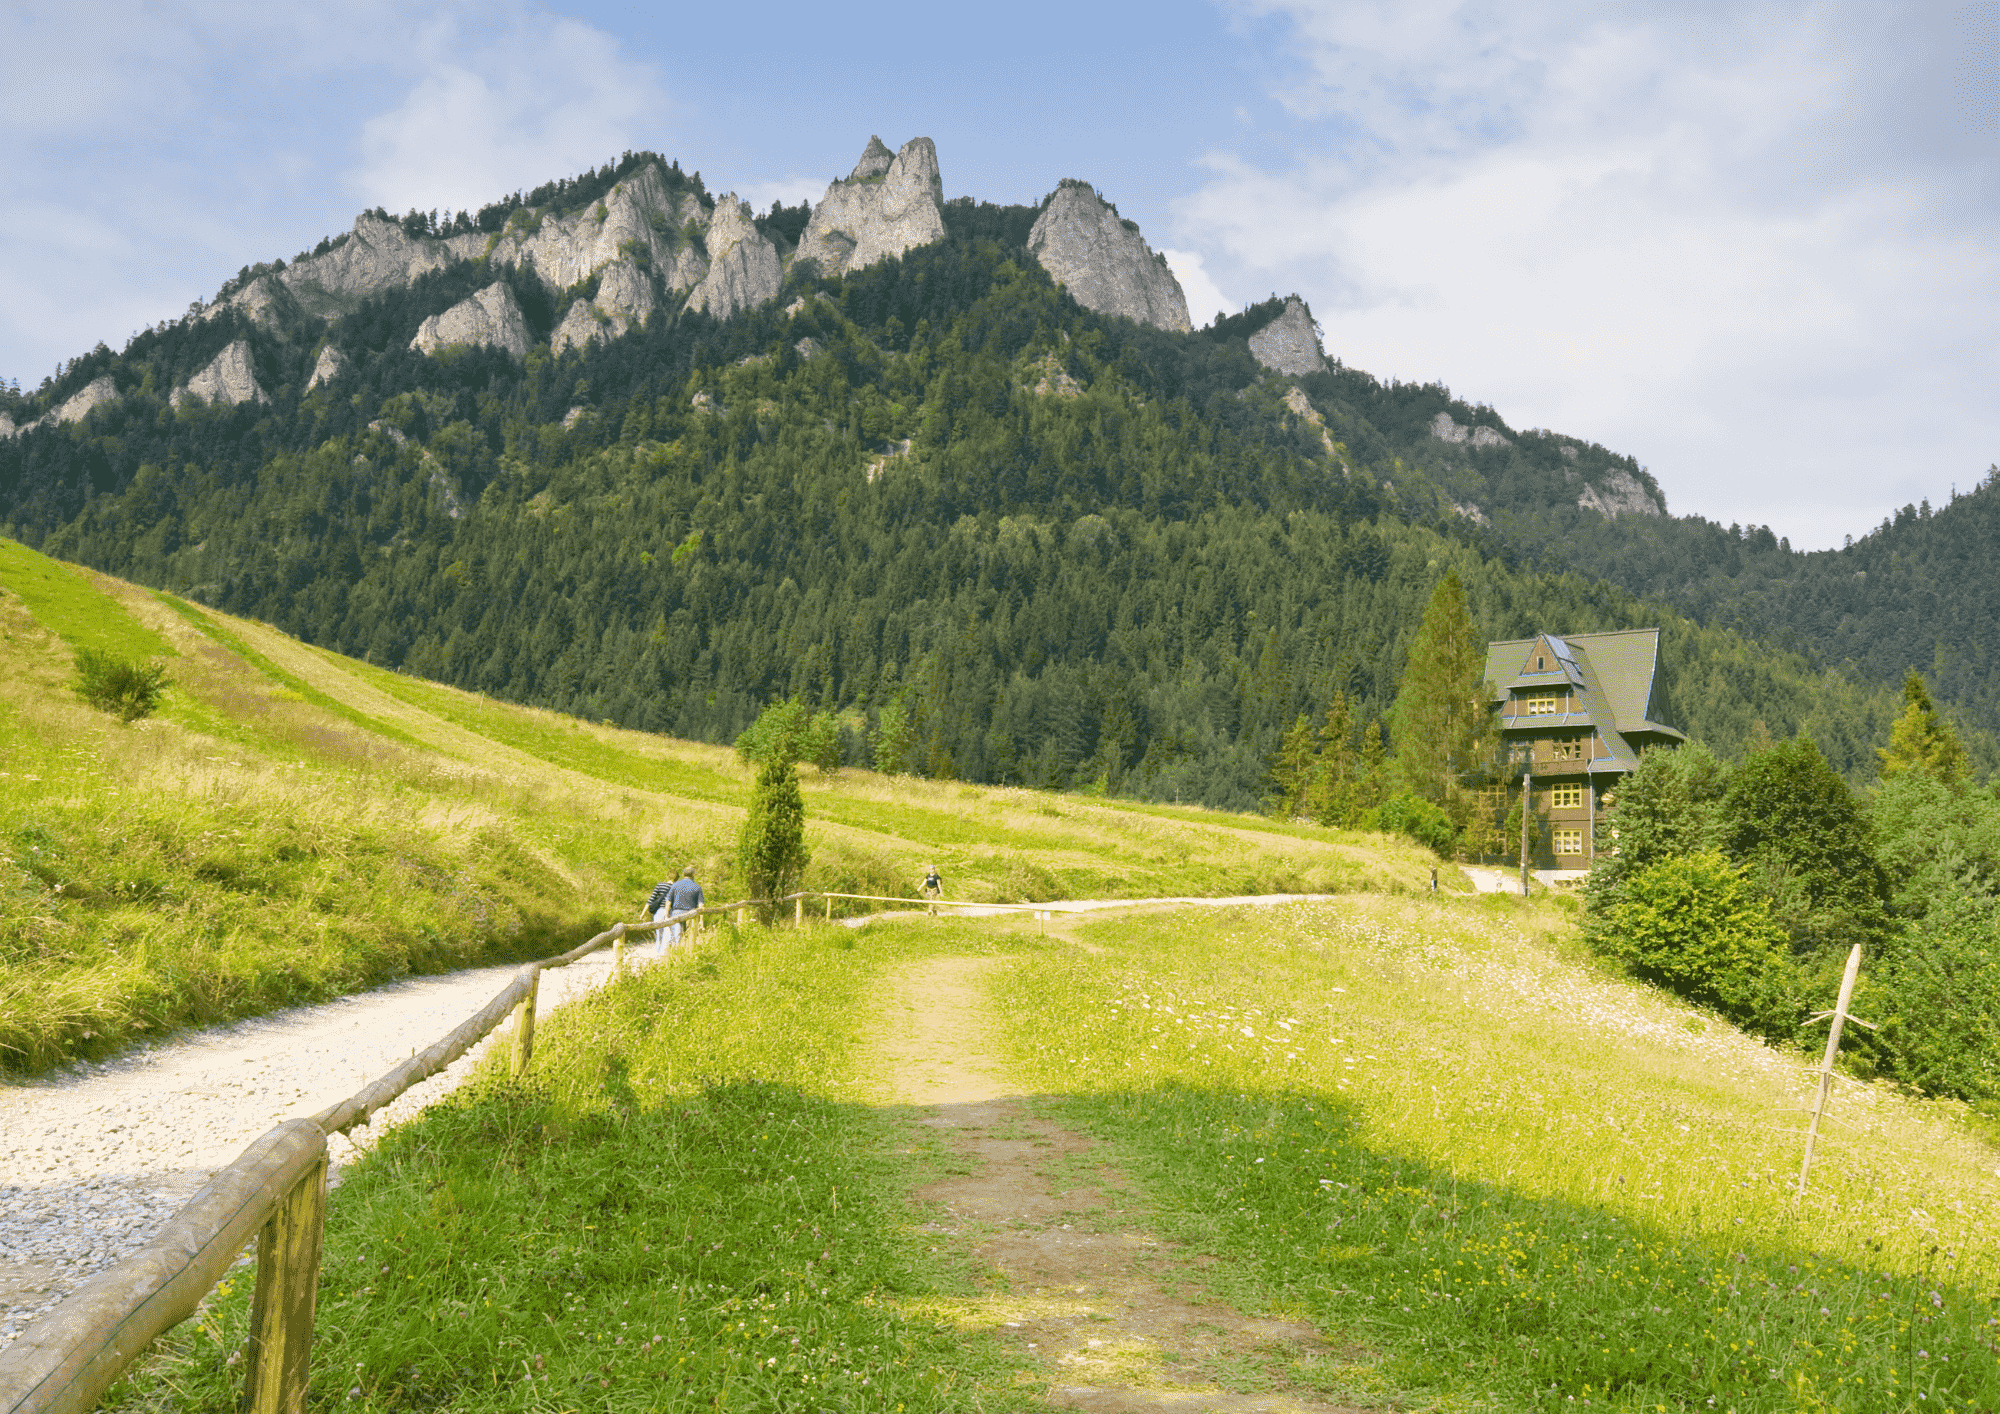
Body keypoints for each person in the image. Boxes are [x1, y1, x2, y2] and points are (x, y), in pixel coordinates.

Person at [665, 865, 704, 951]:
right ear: (693, 875)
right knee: (690, 938)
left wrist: (666, 916)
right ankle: (688, 954)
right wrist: (701, 921)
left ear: (683, 874)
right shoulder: (697, 887)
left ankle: (676, 954)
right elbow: (701, 905)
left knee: (676, 938)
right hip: (691, 915)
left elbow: (668, 902)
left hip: (676, 914)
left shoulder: (675, 885)